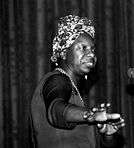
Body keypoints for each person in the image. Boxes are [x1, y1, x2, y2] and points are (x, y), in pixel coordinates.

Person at [31, 15, 125, 148]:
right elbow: (55, 110)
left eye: (93, 49)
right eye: (83, 47)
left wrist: (107, 134)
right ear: (63, 52)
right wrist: (90, 115)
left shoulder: (75, 96)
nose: (92, 54)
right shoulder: (57, 80)